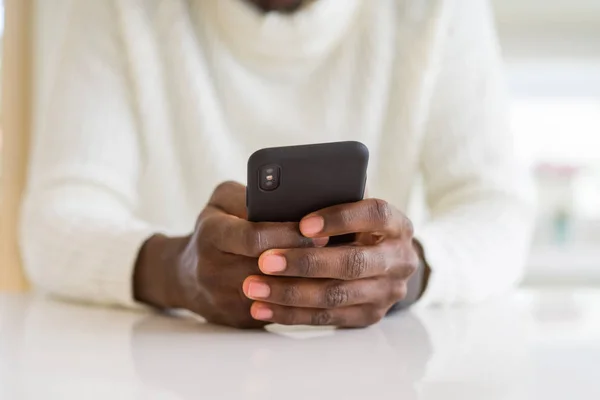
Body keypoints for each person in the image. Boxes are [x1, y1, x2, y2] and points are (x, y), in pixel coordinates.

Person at [20, 0, 533, 328]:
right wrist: (176, 271)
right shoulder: (118, 10)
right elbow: (52, 222)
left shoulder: (439, 11)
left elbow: (497, 211)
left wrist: (407, 271)